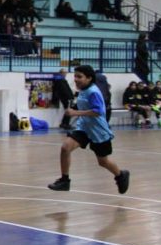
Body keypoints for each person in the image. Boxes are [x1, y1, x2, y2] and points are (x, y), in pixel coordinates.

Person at [48, 64, 130, 194]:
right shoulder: (83, 90)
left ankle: (121, 175)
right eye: (75, 76)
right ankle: (65, 180)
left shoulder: (93, 92)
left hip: (98, 131)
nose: (75, 79)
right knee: (65, 148)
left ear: (89, 78)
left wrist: (76, 113)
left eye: (79, 76)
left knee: (103, 161)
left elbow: (98, 111)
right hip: (84, 128)